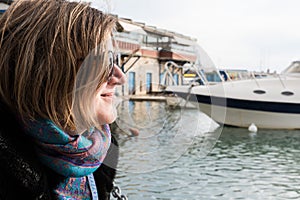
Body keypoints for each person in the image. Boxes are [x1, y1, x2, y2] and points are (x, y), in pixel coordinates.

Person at [0, 0, 126, 199]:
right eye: (102, 62)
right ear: (48, 71)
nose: (120, 77)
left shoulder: (102, 151)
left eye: (114, 60)